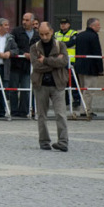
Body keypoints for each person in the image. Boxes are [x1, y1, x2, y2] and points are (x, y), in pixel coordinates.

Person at [30, 22, 69, 151]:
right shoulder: (34, 47)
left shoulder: (60, 45)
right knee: (42, 115)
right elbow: (36, 66)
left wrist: (46, 60)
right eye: (41, 34)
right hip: (40, 84)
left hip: (57, 84)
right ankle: (44, 141)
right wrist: (54, 61)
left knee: (61, 114)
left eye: (47, 34)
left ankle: (63, 142)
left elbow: (64, 62)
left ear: (52, 31)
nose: (44, 37)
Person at [10, 13, 40, 117]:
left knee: (26, 89)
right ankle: (13, 111)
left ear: (32, 21)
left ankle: (23, 111)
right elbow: (12, 46)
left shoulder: (37, 34)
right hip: (16, 65)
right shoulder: (16, 32)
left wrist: (33, 55)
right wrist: (23, 53)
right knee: (13, 89)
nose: (24, 22)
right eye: (23, 19)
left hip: (28, 67)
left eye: (27, 20)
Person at [74, 18, 103, 118]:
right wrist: (100, 69)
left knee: (83, 89)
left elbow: (77, 51)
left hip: (80, 66)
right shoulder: (94, 36)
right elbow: (97, 53)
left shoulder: (80, 35)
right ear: (92, 26)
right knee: (89, 90)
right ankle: (86, 110)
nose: (100, 27)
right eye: (98, 25)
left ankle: (85, 108)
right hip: (91, 67)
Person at [0, 18, 19, 118]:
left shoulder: (10, 38)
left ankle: (2, 113)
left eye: (8, 25)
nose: (8, 27)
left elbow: (16, 50)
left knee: (4, 89)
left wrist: (9, 53)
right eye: (5, 25)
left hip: (5, 67)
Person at [55, 18, 79, 108]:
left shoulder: (73, 33)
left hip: (71, 61)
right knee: (62, 81)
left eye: (65, 23)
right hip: (60, 61)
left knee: (73, 81)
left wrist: (60, 44)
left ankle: (76, 99)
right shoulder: (56, 34)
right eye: (61, 23)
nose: (63, 25)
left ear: (69, 24)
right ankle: (66, 100)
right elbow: (53, 44)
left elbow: (71, 43)